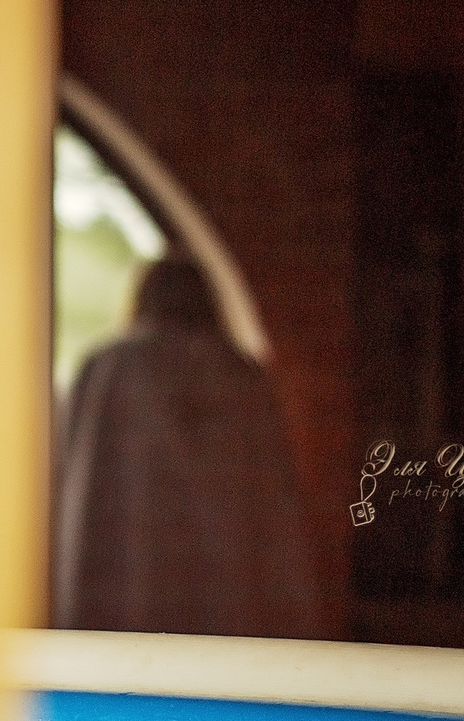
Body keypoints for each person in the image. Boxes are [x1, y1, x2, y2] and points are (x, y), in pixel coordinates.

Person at [54, 256, 321, 637]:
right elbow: (276, 511)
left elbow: (74, 493)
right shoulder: (243, 377)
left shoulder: (106, 371)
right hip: (229, 591)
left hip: (126, 583)